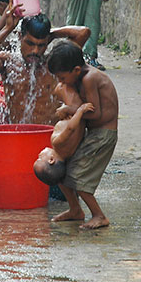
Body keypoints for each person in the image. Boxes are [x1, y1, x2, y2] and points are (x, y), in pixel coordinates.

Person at [40, 40, 118, 229]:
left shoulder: (90, 77)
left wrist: (71, 109)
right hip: (94, 132)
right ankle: (75, 210)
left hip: (103, 134)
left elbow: (95, 112)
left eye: (62, 78)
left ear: (76, 70)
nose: (61, 82)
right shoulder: (79, 77)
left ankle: (99, 215)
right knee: (62, 170)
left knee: (78, 176)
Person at [0, 4, 90, 126]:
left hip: (49, 135)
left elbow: (83, 32)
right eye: (30, 43)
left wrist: (51, 34)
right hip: (17, 135)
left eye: (41, 45)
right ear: (20, 37)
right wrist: (7, 28)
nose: (35, 51)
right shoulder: (7, 61)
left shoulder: (54, 64)